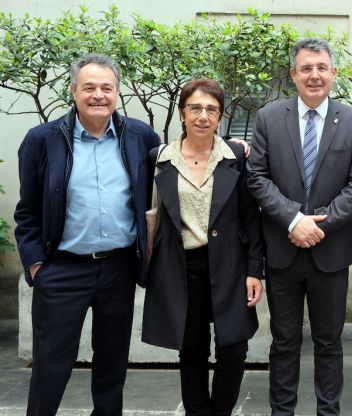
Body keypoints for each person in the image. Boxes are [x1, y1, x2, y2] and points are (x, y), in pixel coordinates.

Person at [14, 53, 162, 415]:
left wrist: (236, 147)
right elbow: (27, 211)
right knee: (51, 365)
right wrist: (36, 266)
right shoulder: (41, 140)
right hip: (61, 270)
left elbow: (184, 160)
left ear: (117, 92)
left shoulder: (140, 137)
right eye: (89, 87)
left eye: (106, 87)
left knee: (112, 364)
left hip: (119, 268)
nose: (99, 95)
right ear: (73, 91)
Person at [247, 37, 352, 416]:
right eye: (306, 68)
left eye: (321, 68)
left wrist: (319, 225)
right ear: (293, 75)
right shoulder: (270, 117)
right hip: (283, 251)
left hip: (330, 253)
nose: (314, 75)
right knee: (284, 342)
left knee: (329, 343)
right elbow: (257, 177)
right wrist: (294, 220)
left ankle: (327, 412)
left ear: (333, 73)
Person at [140, 78, 263, 415]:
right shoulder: (159, 158)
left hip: (230, 266)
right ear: (183, 113)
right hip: (181, 267)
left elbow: (251, 217)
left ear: (221, 117)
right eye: (195, 107)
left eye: (212, 109)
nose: (203, 116)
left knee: (234, 348)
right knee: (192, 349)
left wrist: (255, 270)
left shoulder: (235, 155)